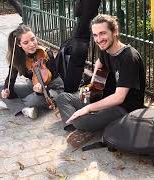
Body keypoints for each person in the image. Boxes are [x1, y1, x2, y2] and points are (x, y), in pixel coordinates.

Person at [55, 14, 145, 144]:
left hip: (124, 107)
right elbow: (99, 62)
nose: (98, 39)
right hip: (104, 96)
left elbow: (119, 98)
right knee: (63, 98)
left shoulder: (129, 57)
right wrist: (93, 85)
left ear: (114, 32)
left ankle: (83, 125)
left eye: (102, 33)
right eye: (95, 35)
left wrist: (88, 108)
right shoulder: (106, 48)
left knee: (79, 119)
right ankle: (83, 126)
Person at [0, 24, 64, 119]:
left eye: (33, 39)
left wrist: (41, 90)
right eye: (26, 42)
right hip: (33, 86)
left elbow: (51, 78)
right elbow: (11, 78)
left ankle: (10, 105)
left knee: (35, 100)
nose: (32, 44)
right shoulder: (18, 58)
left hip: (52, 89)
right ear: (19, 45)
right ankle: (25, 109)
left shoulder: (46, 53)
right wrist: (6, 90)